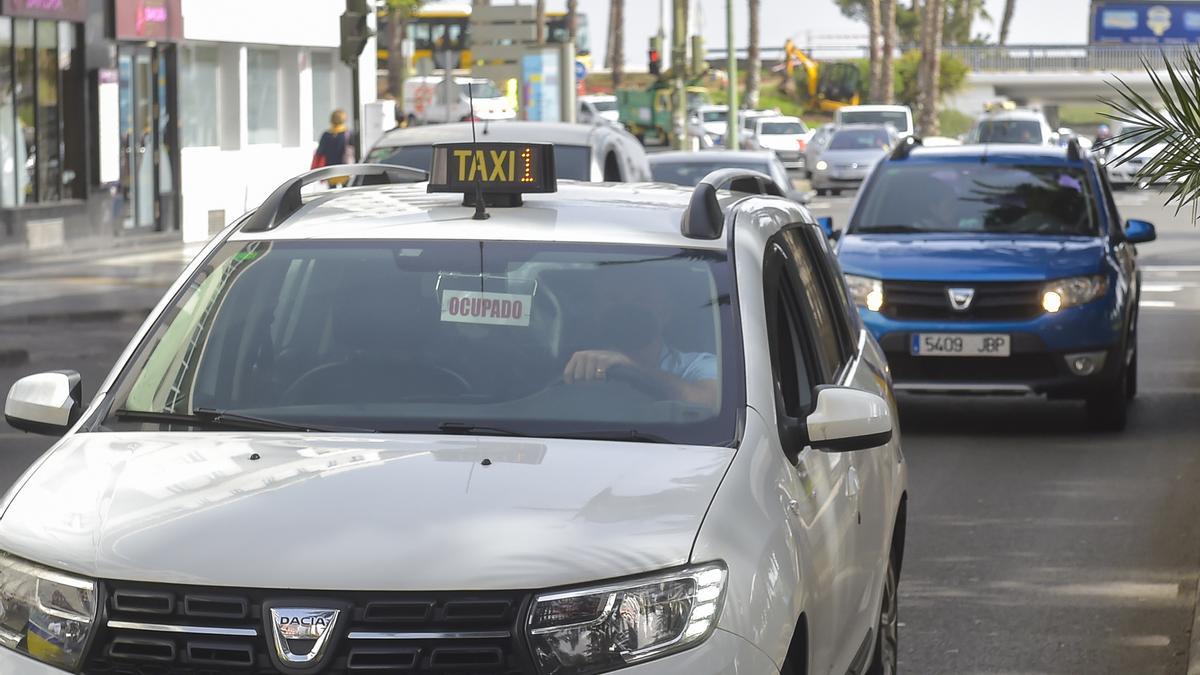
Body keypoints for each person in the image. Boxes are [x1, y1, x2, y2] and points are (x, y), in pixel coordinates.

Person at [563, 271, 720, 410]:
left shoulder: (699, 365)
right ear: (596, 312)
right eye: (613, 298)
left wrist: (631, 368)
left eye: (642, 299)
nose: (627, 308)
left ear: (665, 312)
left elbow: (710, 403)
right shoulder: (574, 364)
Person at [312, 109, 353, 187]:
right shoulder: (348, 134)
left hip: (330, 169)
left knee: (331, 192)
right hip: (345, 169)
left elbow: (320, 152)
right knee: (346, 192)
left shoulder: (326, 134)